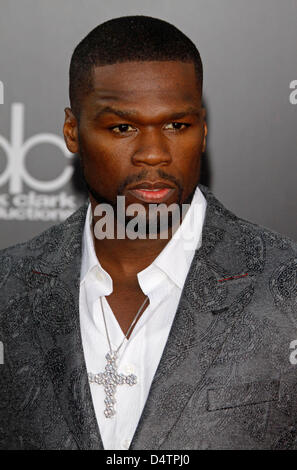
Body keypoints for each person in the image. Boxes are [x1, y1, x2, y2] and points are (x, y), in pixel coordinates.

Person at [0, 15, 296, 451]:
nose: (154, 154)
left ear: (203, 129)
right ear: (72, 132)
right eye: (123, 127)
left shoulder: (287, 286)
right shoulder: (9, 286)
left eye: (177, 125)